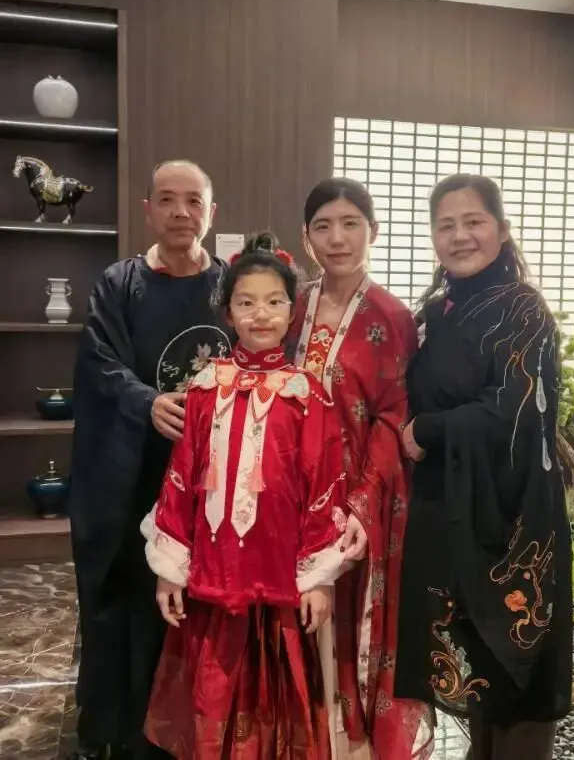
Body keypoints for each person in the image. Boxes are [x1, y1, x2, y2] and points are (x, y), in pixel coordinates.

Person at [139, 232, 365, 759]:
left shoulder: (306, 393)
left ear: (291, 311)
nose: (260, 314)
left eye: (273, 302)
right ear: (228, 312)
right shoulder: (204, 387)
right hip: (212, 574)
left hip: (280, 577)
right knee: (213, 694)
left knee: (280, 703)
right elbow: (180, 478)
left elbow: (324, 486)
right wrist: (170, 566)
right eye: (246, 302)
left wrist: (317, 578)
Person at [394, 174, 573, 760]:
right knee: (481, 684)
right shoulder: (438, 311)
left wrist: (427, 430)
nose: (459, 236)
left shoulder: (522, 307)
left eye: (474, 221)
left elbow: (512, 410)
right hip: (453, 517)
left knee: (521, 686)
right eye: (445, 225)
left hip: (514, 522)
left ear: (501, 229)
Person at [68, 160, 233, 760]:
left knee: (198, 602)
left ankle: (194, 726)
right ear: (147, 210)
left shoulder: (231, 286)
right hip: (132, 471)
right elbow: (99, 361)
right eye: (167, 200)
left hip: (212, 479)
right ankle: (116, 725)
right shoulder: (121, 283)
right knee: (123, 594)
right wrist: (147, 402)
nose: (181, 212)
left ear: (212, 212)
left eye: (194, 200)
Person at [292, 178, 434, 760]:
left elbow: (394, 415)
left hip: (359, 493)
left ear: (372, 231)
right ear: (306, 237)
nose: (338, 238)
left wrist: (362, 500)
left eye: (351, 224)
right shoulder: (292, 304)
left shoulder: (391, 316)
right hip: (289, 487)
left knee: (349, 613)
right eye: (323, 226)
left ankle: (348, 741)